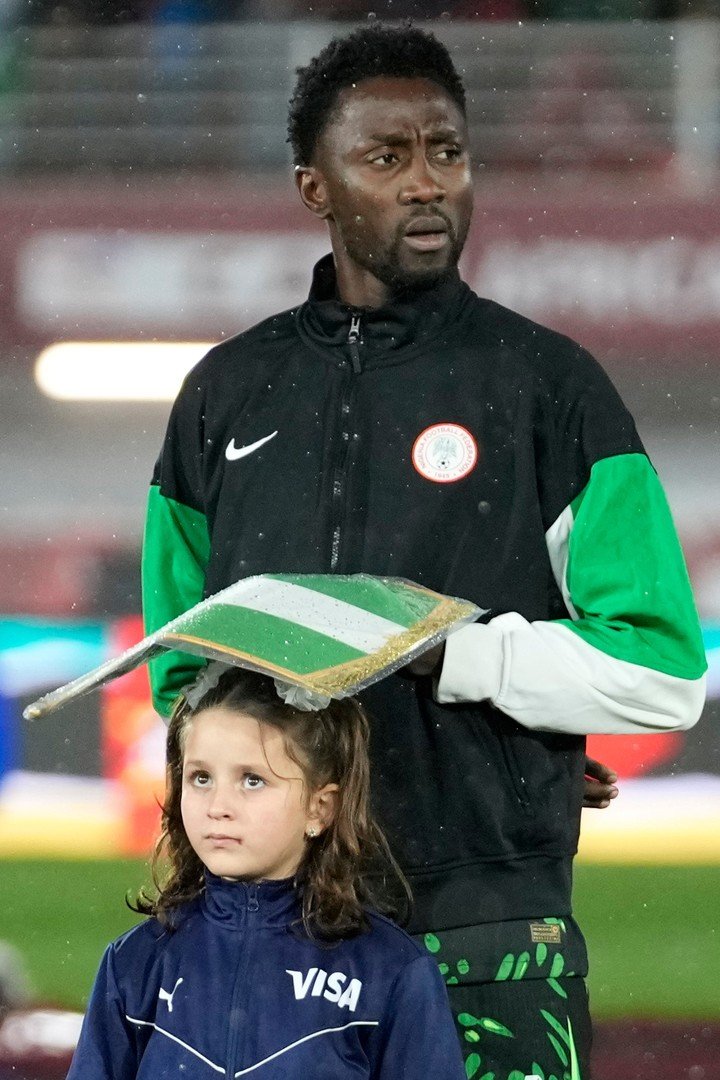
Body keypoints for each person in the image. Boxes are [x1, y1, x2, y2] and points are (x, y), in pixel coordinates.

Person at [141, 23, 707, 1078]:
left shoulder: (552, 389)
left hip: (490, 944)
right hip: (271, 941)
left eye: (447, 152)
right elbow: (185, 671)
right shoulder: (224, 394)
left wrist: (454, 657)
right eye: (386, 157)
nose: (426, 184)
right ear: (316, 185)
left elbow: (664, 673)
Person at [67, 666, 465, 1079]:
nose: (218, 805)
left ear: (319, 807)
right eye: (201, 777)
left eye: (252, 781)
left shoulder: (392, 970)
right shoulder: (133, 962)